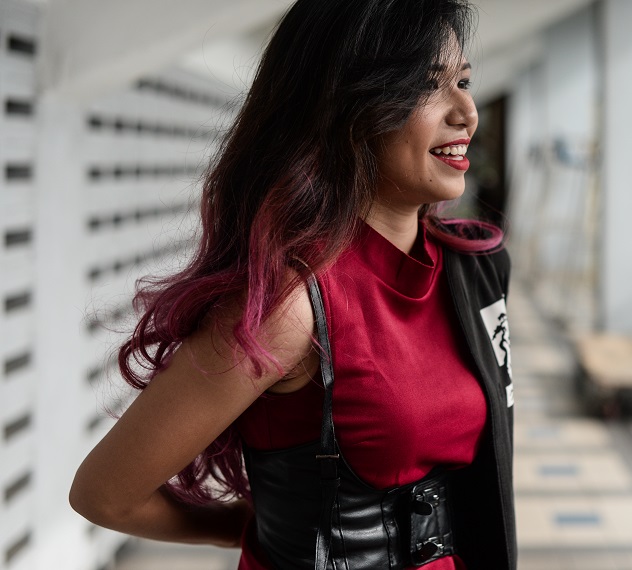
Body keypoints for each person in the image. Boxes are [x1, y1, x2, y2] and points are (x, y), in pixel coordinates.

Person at [69, 0, 516, 568]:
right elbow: (104, 494)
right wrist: (250, 528)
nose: (467, 112)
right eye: (428, 85)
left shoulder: (472, 268)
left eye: (463, 81)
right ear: (348, 107)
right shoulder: (292, 305)